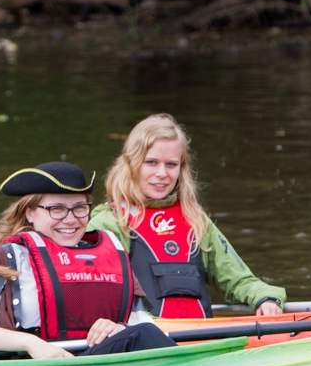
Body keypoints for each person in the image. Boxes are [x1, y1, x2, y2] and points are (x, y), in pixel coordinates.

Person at [0, 162, 176, 359]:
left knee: (142, 333)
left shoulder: (111, 257)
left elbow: (144, 329)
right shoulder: (2, 259)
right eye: (57, 209)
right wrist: (30, 343)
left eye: (79, 208)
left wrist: (119, 328)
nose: (70, 219)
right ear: (29, 212)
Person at [88, 113, 286, 318]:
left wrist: (266, 298)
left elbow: (239, 280)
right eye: (151, 162)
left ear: (181, 168)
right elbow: (93, 298)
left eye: (171, 164)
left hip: (202, 334)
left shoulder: (196, 221)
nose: (162, 173)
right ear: (131, 164)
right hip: (144, 336)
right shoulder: (109, 223)